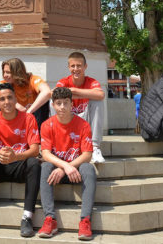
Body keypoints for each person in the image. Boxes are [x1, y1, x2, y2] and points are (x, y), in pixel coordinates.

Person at [0, 83, 41, 237]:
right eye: (2, 99)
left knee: (34, 163)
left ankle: (27, 217)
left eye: (10, 97)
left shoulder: (28, 118)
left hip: (19, 165)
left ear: (15, 99)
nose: (6, 102)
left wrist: (15, 156)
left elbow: (35, 149)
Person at [38, 87, 96, 241]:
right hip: (58, 171)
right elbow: (45, 154)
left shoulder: (83, 125)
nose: (62, 107)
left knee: (88, 168)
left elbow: (87, 155)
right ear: (53, 105)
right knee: (45, 166)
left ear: (72, 104)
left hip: (76, 171)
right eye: (58, 103)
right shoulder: (46, 125)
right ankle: (50, 219)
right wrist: (65, 166)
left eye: (65, 103)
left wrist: (68, 167)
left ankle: (85, 220)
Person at [56, 52, 105, 164]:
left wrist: (73, 91)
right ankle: (58, 143)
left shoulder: (91, 81)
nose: (76, 69)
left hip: (85, 119)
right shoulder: (64, 81)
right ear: (69, 67)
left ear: (85, 66)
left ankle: (95, 147)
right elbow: (54, 94)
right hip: (69, 118)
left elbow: (100, 95)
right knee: (52, 102)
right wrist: (87, 93)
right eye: (73, 66)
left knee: (97, 102)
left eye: (79, 65)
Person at [0, 58, 51, 129]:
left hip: (33, 117)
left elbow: (47, 92)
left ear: (17, 72)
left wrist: (28, 112)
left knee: (44, 102)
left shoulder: (32, 79)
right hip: (15, 116)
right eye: (4, 72)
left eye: (8, 72)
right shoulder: (6, 82)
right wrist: (16, 105)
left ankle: (38, 134)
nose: (5, 75)